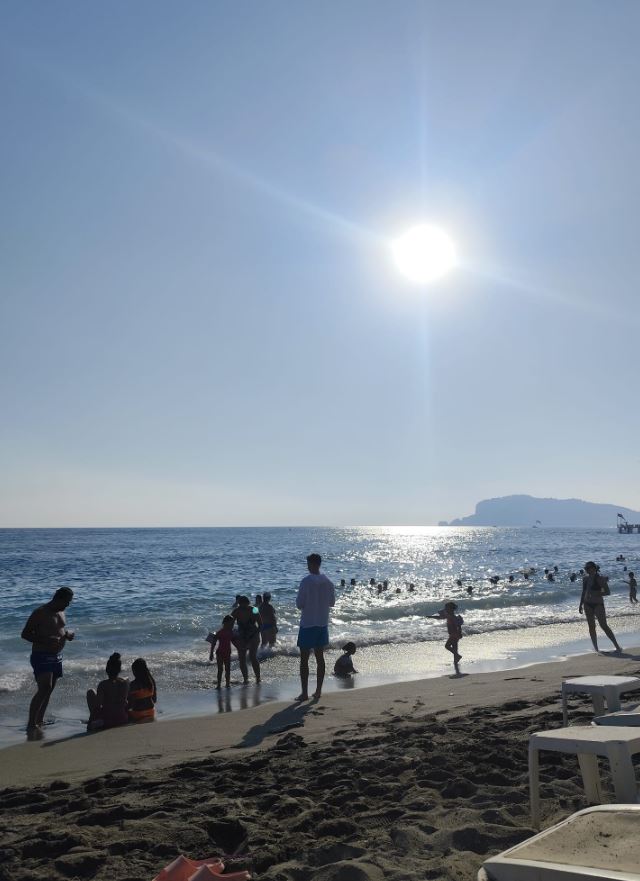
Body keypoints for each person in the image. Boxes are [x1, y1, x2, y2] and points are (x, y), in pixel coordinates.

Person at [21, 587, 75, 737]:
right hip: (41, 654)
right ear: (58, 598)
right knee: (45, 687)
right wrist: (45, 640)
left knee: (49, 690)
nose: (68, 605)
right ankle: (31, 724)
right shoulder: (40, 612)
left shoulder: (62, 612)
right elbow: (25, 634)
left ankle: (40, 720)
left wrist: (67, 634)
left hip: (56, 656)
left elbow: (60, 629)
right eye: (67, 601)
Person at [295, 553, 335, 701]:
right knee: (320, 658)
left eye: (308, 564)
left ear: (311, 564)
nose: (307, 566)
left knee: (304, 659)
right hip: (322, 623)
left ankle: (304, 693)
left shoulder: (306, 582)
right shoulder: (328, 582)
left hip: (308, 623)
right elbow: (332, 603)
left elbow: (299, 604)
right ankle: (318, 691)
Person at [579, 561, 622, 653]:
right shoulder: (585, 579)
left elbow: (608, 592)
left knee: (603, 625)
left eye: (591, 568)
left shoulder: (600, 579)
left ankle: (617, 646)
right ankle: (596, 648)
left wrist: (597, 593)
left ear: (595, 568)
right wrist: (580, 604)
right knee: (591, 626)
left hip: (598, 604)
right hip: (587, 604)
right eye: (588, 568)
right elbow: (583, 592)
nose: (590, 570)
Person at [86, 653, 129, 730]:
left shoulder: (103, 685)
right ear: (119, 670)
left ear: (106, 670)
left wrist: (91, 720)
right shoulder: (125, 683)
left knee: (90, 692)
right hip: (123, 718)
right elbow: (124, 701)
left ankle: (93, 720)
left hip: (107, 721)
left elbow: (98, 706)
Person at [232, 596, 261, 684]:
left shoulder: (254, 609)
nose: (243, 607)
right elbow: (229, 624)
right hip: (242, 636)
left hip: (253, 635)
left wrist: (255, 633)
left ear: (248, 603)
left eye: (244, 605)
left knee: (252, 656)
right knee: (242, 658)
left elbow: (261, 624)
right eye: (241, 605)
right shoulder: (236, 611)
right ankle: (245, 679)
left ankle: (258, 678)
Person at [429, 601, 463, 674]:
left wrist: (459, 633)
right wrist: (431, 617)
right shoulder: (450, 616)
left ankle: (457, 656)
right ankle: (456, 662)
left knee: (447, 646)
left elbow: (458, 625)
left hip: (454, 634)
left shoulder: (452, 617)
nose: (445, 609)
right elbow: (440, 617)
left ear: (451, 609)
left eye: (447, 608)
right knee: (454, 648)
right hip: (454, 634)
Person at [207, 615, 235, 688]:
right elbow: (213, 643)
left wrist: (241, 648)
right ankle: (218, 685)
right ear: (225, 623)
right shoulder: (219, 632)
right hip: (220, 653)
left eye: (233, 623)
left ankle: (227, 684)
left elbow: (235, 642)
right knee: (220, 669)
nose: (232, 625)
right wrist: (211, 654)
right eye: (231, 623)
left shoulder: (231, 632)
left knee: (228, 669)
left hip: (228, 653)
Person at [128, 658, 157, 722]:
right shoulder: (151, 681)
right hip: (151, 712)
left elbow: (130, 704)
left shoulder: (133, 684)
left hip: (138, 714)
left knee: (125, 712)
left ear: (135, 671)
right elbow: (154, 700)